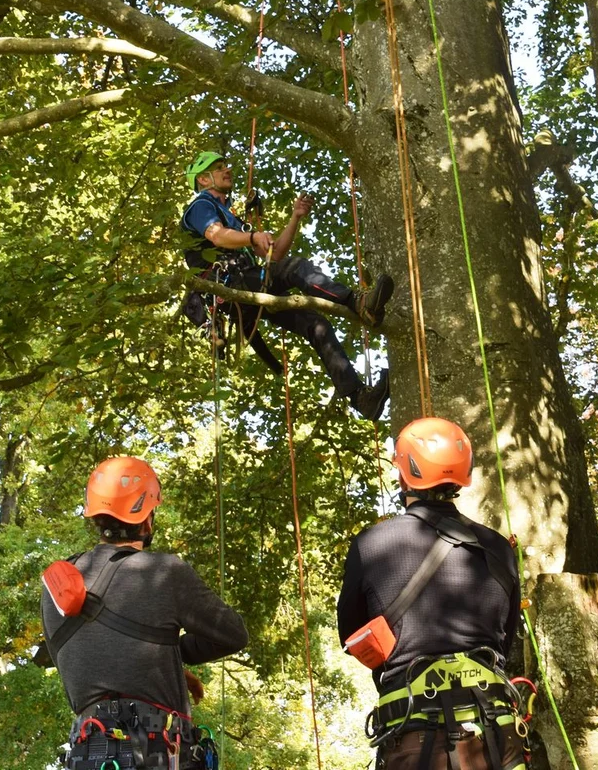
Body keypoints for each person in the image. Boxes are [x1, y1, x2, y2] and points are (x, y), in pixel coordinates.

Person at [337, 417, 528, 770]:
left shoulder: (371, 545)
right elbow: (506, 637)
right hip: (495, 739)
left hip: (414, 737)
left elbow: (351, 635)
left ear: (403, 474)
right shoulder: (498, 548)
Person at [41, 456, 248, 769]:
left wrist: (162, 653)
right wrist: (177, 652)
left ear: (95, 515)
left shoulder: (55, 587)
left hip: (88, 753)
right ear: (147, 517)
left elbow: (85, 654)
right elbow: (234, 634)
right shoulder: (165, 572)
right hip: (158, 753)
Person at [181, 150, 393, 421]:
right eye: (219, 167)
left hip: (249, 287)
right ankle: (358, 303)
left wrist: (295, 218)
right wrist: (252, 235)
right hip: (234, 285)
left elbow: (275, 253)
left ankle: (360, 399)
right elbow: (216, 236)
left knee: (316, 325)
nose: (227, 170)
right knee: (295, 269)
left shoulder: (230, 217)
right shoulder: (201, 206)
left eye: (225, 166)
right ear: (202, 179)